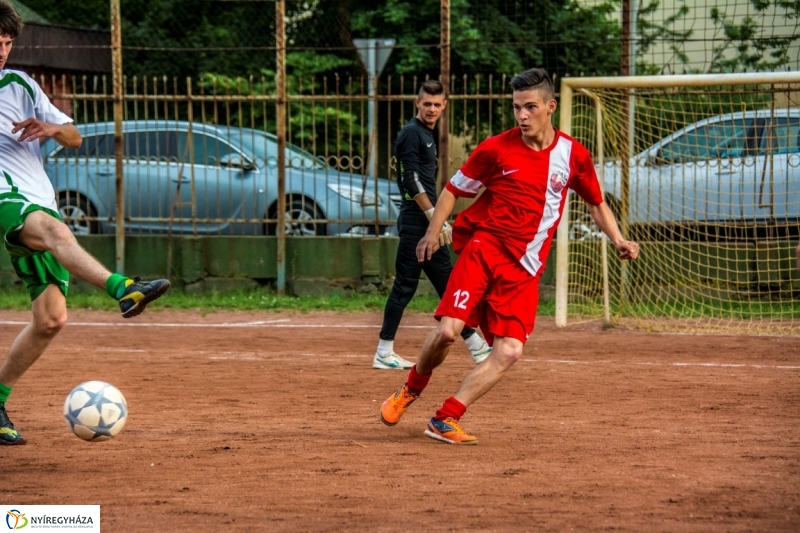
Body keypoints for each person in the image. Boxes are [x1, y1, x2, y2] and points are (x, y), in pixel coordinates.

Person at [379, 68, 640, 444]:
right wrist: (432, 233)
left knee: (511, 350)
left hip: (525, 269)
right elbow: (453, 190)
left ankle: (445, 418)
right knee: (448, 332)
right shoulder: (496, 148)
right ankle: (410, 389)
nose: (521, 115)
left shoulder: (572, 155)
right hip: (485, 250)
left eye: (530, 107)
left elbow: (596, 202)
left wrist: (618, 239)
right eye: (517, 107)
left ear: (550, 107)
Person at [0, 1, 170, 446]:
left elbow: (74, 136)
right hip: (6, 202)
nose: (1, 49)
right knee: (57, 233)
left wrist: (51, 128)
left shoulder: (19, 85)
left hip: (39, 201)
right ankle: (124, 288)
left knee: (51, 318)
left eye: (6, 42)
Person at [373, 79, 491, 370]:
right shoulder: (411, 134)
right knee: (406, 286)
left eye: (437, 105)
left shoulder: (427, 133)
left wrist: (437, 221)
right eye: (427, 104)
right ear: (417, 103)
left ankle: (476, 346)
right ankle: (384, 352)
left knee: (448, 283)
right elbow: (409, 179)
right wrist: (433, 219)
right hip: (417, 223)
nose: (432, 109)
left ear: (444, 106)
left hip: (425, 222)